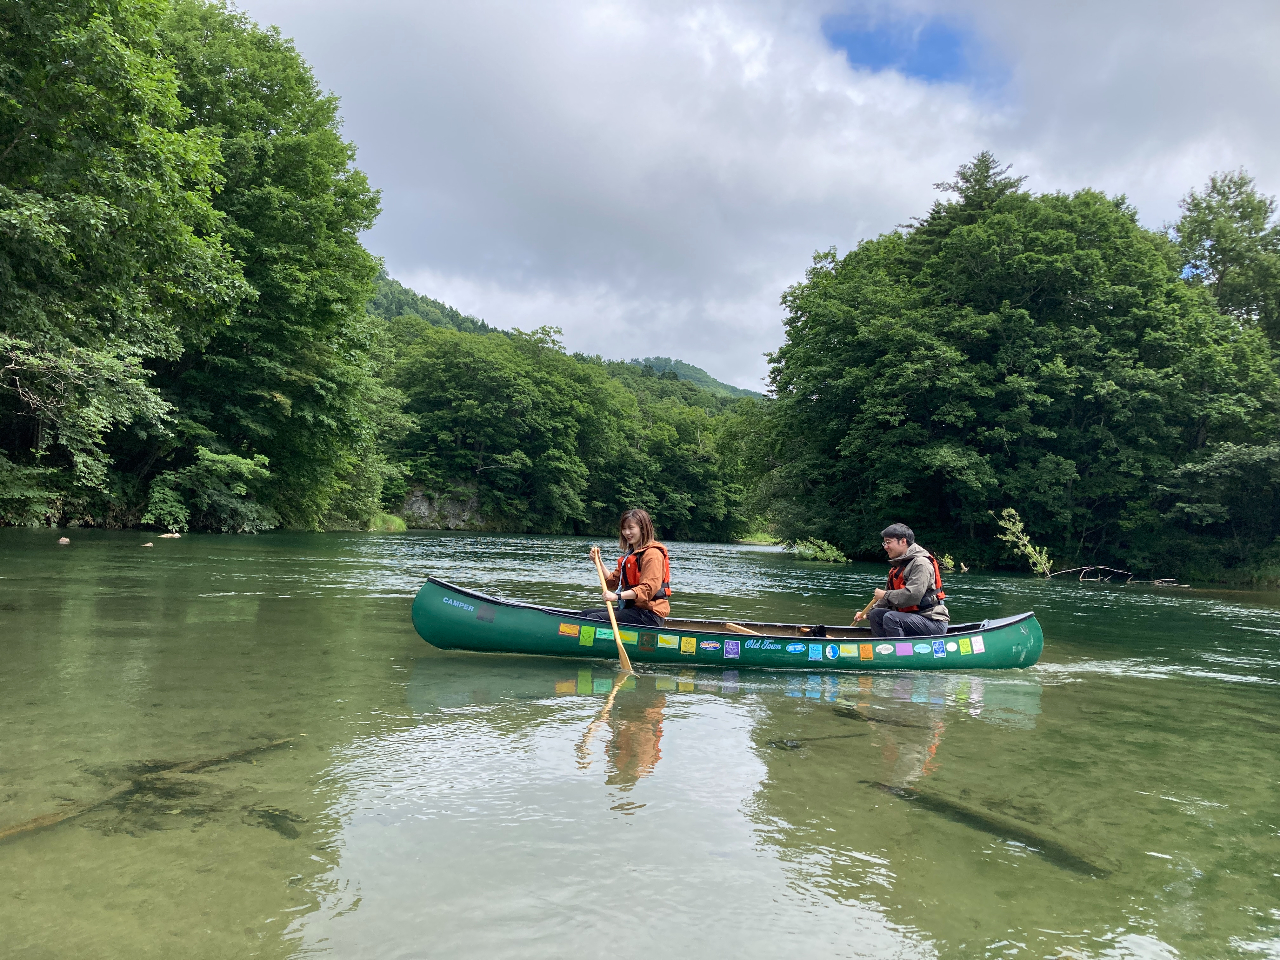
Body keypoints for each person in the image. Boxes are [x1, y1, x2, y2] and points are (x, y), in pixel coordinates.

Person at [853, 523, 949, 638]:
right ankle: (882, 648)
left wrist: (885, 594)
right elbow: (887, 599)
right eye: (884, 543)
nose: (885, 546)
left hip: (932, 621)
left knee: (891, 618)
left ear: (903, 541)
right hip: (910, 618)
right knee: (876, 614)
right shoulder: (900, 564)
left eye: (888, 542)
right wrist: (866, 614)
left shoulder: (921, 563)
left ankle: (900, 652)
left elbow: (913, 596)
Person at [583, 509, 671, 628]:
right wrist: (598, 562)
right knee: (584, 615)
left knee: (593, 619)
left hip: (649, 615)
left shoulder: (653, 554)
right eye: (624, 529)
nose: (626, 532)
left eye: (631, 528)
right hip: (632, 610)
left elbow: (647, 589)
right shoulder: (630, 556)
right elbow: (613, 582)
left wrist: (617, 596)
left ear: (643, 529)